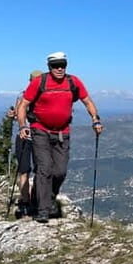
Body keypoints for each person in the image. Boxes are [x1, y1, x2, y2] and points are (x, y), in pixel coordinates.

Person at [16, 52, 103, 224]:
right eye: (56, 65)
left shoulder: (73, 82)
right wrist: (23, 125)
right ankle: (43, 210)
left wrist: (95, 119)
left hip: (63, 133)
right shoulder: (39, 82)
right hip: (40, 130)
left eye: (63, 64)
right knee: (44, 168)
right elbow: (23, 105)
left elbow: (87, 101)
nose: (60, 68)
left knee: (60, 171)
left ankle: (47, 196)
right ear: (49, 67)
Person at [7, 70, 42, 219]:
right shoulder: (23, 96)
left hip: (34, 137)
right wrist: (13, 115)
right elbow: (16, 114)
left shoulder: (23, 95)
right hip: (28, 136)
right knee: (25, 170)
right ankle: (27, 200)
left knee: (33, 171)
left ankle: (31, 199)